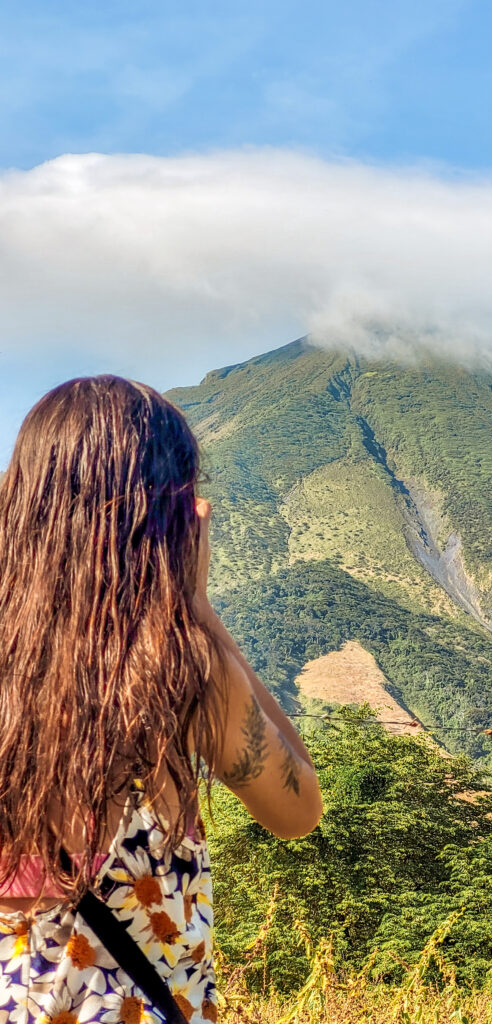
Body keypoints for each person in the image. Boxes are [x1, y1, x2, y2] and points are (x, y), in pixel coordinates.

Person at [0, 376, 323, 1024]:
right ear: (160, 512)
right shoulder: (180, 673)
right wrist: (196, 607)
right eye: (189, 492)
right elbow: (299, 807)